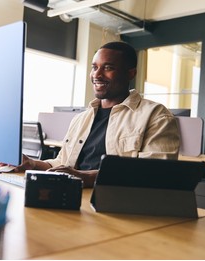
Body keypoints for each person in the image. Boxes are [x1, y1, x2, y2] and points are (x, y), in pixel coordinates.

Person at [15, 41, 180, 187]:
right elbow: (62, 163)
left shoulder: (155, 115)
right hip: (72, 195)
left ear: (131, 73)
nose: (97, 74)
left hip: (115, 201)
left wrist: (87, 177)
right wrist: (33, 164)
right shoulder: (81, 119)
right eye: (94, 67)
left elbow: (154, 172)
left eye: (108, 68)